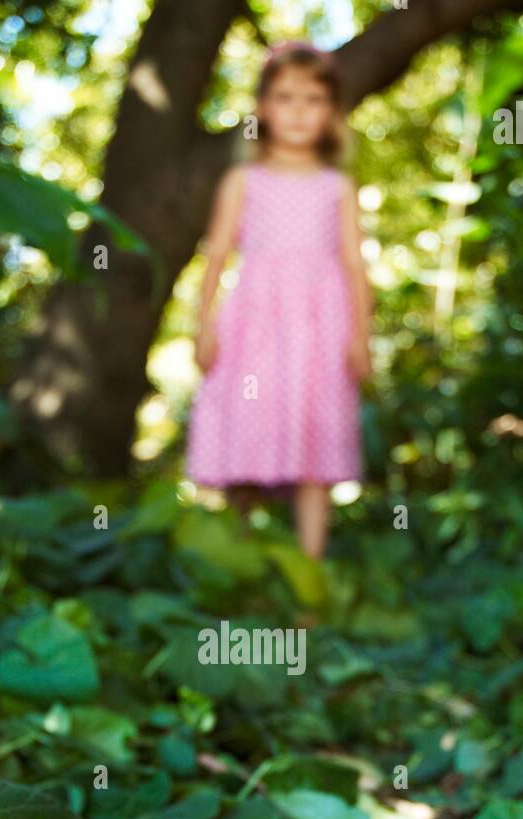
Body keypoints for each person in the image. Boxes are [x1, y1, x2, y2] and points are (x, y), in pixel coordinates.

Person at [187, 42, 371, 560]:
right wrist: (203, 326)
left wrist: (361, 336)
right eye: (285, 98)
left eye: (313, 100)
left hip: (320, 331)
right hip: (255, 330)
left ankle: (309, 576)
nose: (298, 111)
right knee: (245, 431)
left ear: (331, 112)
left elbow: (355, 265)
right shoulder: (243, 180)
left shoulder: (337, 186)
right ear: (263, 107)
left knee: (315, 447)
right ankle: (237, 563)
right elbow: (217, 255)